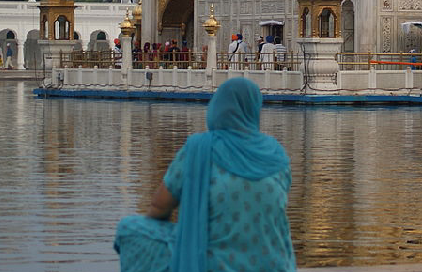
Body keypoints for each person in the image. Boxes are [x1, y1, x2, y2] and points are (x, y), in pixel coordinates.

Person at [114, 78, 295, 272]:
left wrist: (187, 231)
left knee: (129, 227)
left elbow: (160, 207)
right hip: (275, 264)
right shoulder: (275, 153)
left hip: (210, 263)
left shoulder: (199, 147)